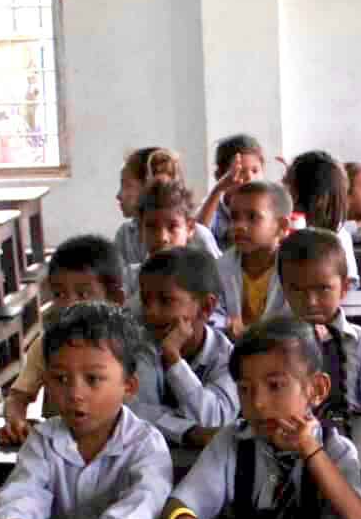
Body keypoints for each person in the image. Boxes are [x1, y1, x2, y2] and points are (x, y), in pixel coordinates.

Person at [164, 318, 361, 519]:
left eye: (275, 386)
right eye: (245, 389)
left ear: (317, 389)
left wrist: (310, 450)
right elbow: (178, 505)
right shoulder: (231, 442)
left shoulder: (335, 449)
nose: (258, 403)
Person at [0, 302, 171, 519]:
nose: (75, 393)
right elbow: (26, 489)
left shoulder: (146, 443)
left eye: (93, 379)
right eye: (61, 379)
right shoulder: (42, 440)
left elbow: (147, 500)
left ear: (129, 387)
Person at [0, 235, 128, 447]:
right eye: (59, 294)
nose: (69, 304)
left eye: (83, 294)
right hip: (57, 448)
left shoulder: (127, 347)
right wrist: (16, 421)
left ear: (115, 299)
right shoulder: (46, 344)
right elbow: (18, 396)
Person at [278, 228, 361, 425]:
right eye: (297, 289)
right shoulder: (271, 342)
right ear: (283, 289)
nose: (311, 301)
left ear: (345, 288)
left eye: (322, 288)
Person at [134, 247, 239, 450]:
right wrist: (188, 432)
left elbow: (214, 421)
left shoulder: (229, 358)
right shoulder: (142, 346)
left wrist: (174, 360)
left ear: (207, 307)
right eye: (146, 301)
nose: (151, 312)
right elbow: (134, 414)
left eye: (166, 301)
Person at [216, 180, 293, 334]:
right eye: (234, 217)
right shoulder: (220, 267)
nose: (239, 226)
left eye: (252, 217)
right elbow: (214, 313)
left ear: (282, 227)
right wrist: (226, 324)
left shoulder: (295, 269)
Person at [116, 148, 214, 267]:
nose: (162, 237)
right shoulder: (125, 235)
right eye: (151, 227)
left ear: (149, 185)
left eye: (127, 185)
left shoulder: (199, 237)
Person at [123, 179, 218, 297]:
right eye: (152, 227)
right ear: (141, 231)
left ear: (190, 228)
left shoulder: (202, 280)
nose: (162, 237)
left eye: (172, 227)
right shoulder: (130, 279)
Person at [284, 151, 361, 290]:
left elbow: (348, 285)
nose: (282, 188)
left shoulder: (337, 238)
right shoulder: (287, 229)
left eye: (287, 183)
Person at [197, 134, 266, 247]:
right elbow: (198, 234)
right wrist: (218, 189)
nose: (250, 178)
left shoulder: (267, 204)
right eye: (241, 171)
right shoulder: (213, 206)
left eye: (255, 170)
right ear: (221, 176)